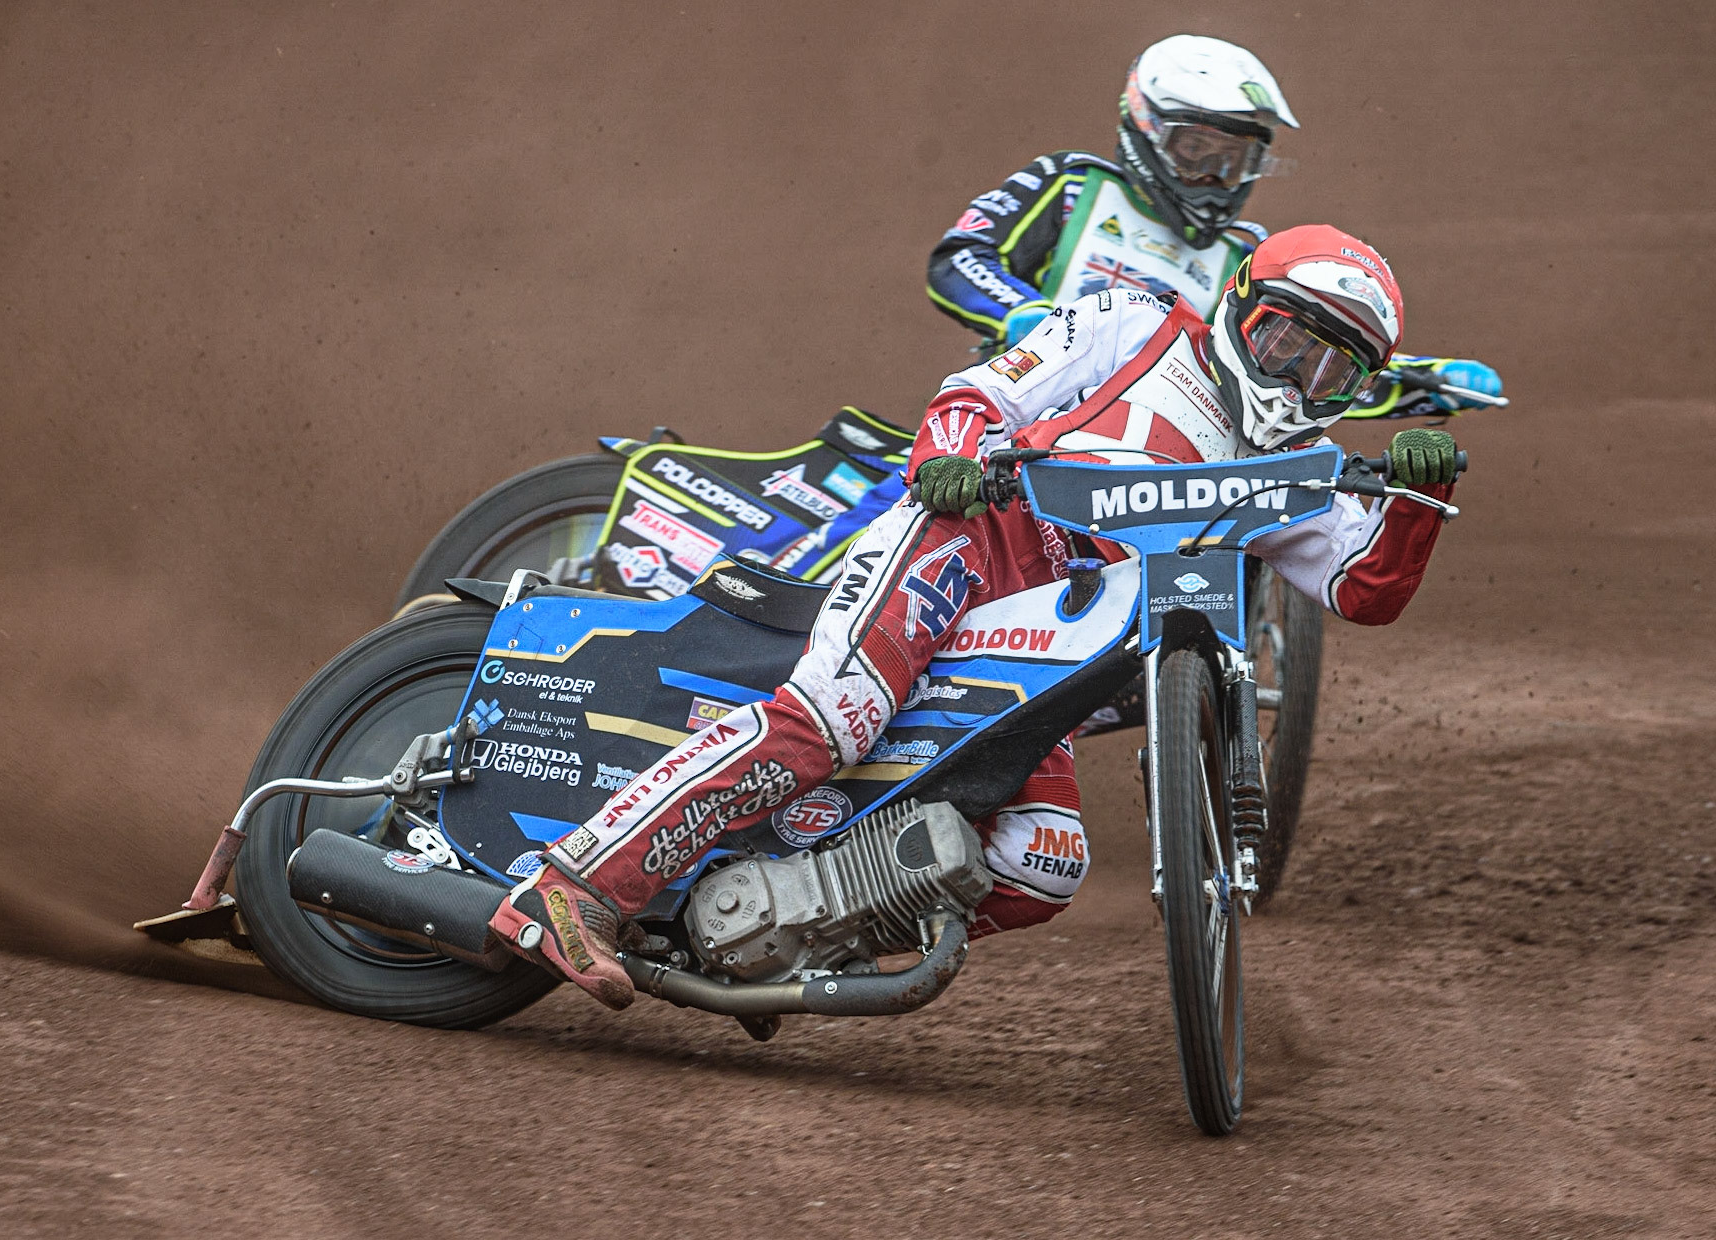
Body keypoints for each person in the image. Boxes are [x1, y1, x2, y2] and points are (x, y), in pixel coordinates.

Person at [487, 225, 1464, 1010]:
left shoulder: (1297, 481)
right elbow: (984, 388)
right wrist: (950, 453)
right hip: (973, 540)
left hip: (1055, 646)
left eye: (1332, 371)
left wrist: (1413, 504)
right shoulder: (1138, 325)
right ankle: (570, 889)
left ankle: (776, 932)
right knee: (836, 715)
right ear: (1240, 307)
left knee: (1043, 862)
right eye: (1284, 342)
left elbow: (1364, 589)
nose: (1298, 381)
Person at [925, 33, 1502, 418]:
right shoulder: (1073, 186)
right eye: (1196, 150)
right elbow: (960, 257)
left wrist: (1428, 383)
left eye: (1234, 161)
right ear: (1146, 128)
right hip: (1025, 413)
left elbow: (1301, 361)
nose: (1212, 177)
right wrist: (1018, 315)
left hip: (1168, 455)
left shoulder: (1252, 255)